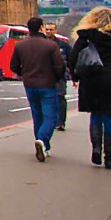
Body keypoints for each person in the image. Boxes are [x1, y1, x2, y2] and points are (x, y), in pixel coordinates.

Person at [69, 6, 111, 169]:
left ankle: (96, 148)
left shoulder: (85, 36)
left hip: (91, 77)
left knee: (95, 113)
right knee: (109, 116)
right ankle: (109, 158)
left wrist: (75, 76)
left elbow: (73, 59)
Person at [12, 15, 66, 162]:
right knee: (51, 116)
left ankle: (43, 146)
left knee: (37, 116)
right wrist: (55, 78)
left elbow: (13, 66)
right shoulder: (51, 45)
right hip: (47, 85)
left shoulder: (20, 45)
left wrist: (25, 74)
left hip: (30, 85)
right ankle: (42, 139)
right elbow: (59, 66)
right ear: (41, 28)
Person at [43, 23, 71, 130]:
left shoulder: (63, 45)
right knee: (46, 99)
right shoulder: (41, 44)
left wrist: (74, 75)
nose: (48, 31)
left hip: (60, 76)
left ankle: (61, 122)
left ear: (55, 31)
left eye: (51, 29)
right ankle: (49, 121)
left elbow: (71, 59)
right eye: (47, 29)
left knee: (60, 98)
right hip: (44, 76)